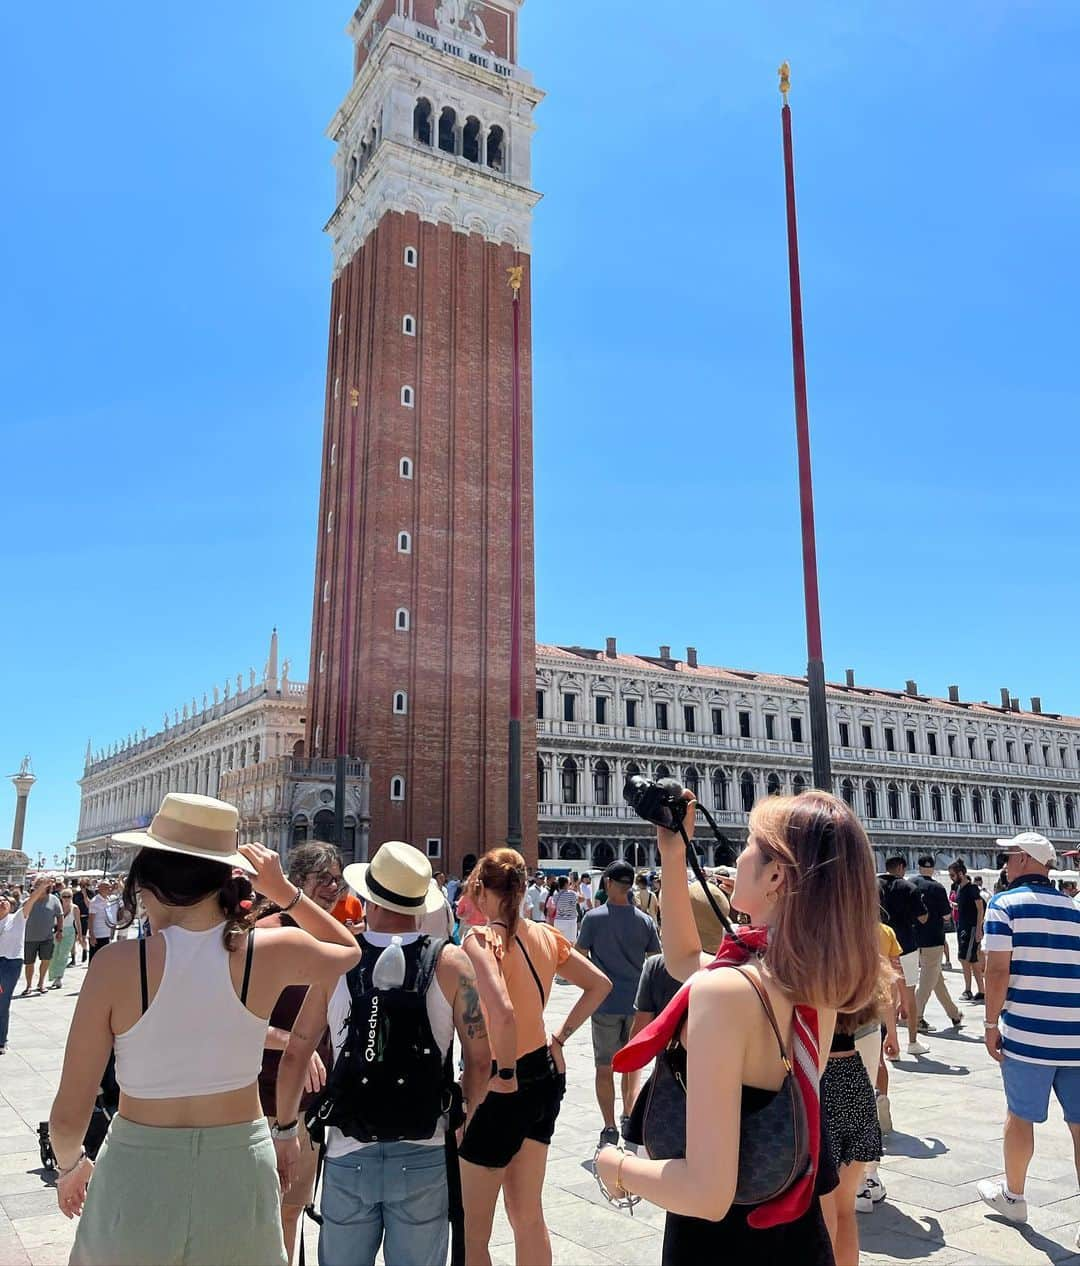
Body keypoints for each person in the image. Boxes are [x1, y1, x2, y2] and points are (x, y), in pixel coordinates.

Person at [48, 792, 360, 1266]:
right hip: (239, 1166)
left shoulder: (116, 965)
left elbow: (69, 1117)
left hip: (138, 1166)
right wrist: (284, 892)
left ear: (146, 884)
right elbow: (347, 949)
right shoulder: (268, 951)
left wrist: (71, 1167)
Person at [598, 790, 880, 1265]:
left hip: (726, 1245)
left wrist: (617, 1168)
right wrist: (673, 851)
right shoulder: (809, 976)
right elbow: (685, 959)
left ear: (775, 875)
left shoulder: (730, 992)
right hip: (794, 1230)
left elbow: (707, 1192)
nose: (737, 854)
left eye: (750, 842)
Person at [277, 840, 491, 1266]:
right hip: (424, 1146)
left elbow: (296, 1051)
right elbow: (481, 1058)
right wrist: (465, 1110)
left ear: (367, 897)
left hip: (347, 1148)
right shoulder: (451, 962)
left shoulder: (338, 958)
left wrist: (285, 1132)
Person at [458, 848, 610, 1266]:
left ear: (481, 890)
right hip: (544, 1072)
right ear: (523, 889)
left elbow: (503, 1013)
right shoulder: (545, 936)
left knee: (474, 1233)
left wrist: (504, 1072)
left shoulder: (480, 940)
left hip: (504, 1080)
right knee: (527, 1215)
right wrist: (559, 1038)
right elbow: (599, 984)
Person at [977, 832, 1080, 1236]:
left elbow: (998, 971)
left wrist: (990, 1024)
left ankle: (1014, 1198)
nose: (1005, 862)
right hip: (1075, 1033)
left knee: (1020, 1117)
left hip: (1028, 1034)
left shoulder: (1004, 905)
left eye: (1008, 855)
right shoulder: (1073, 909)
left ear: (1023, 860)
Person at [256, 842, 343, 1265]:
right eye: (322, 878)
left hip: (309, 1104)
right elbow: (232, 1020)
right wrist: (293, 1044)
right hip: (263, 1098)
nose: (333, 886)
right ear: (297, 882)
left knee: (292, 1208)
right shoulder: (268, 932)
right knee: (259, 1209)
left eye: (337, 878)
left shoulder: (336, 935)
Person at [577, 860, 660, 1146]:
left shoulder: (593, 918)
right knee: (631, 1064)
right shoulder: (645, 920)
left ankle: (609, 1126)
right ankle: (628, 1114)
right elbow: (656, 959)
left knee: (604, 1066)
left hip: (604, 1003)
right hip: (637, 1005)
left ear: (609, 883)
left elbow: (578, 956)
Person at [631, 879, 729, 1047]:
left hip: (670, 1068)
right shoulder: (734, 967)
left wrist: (629, 1073)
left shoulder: (657, 966)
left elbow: (640, 1030)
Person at [878, 856, 930, 1056]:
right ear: (900, 867)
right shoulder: (908, 887)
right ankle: (912, 1042)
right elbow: (923, 917)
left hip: (880, 944)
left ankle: (891, 1044)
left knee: (887, 996)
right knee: (909, 994)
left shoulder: (873, 885)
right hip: (905, 945)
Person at [0, 879, 53, 1053]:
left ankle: (1, 1040)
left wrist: (41, 888)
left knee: (2, 1000)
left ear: (10, 906)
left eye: (5, 901)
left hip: (10, 964)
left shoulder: (18, 918)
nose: (2, 903)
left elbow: (31, 901)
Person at [911, 856, 963, 1032]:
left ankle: (954, 1014)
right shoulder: (937, 887)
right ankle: (916, 1017)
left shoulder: (909, 883)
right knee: (927, 981)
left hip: (913, 939)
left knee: (936, 979)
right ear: (933, 869)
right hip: (933, 938)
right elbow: (947, 916)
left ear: (918, 867)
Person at [950, 860, 986, 1001]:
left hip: (970, 928)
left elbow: (980, 908)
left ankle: (971, 989)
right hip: (963, 927)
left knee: (968, 959)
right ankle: (975, 989)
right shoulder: (960, 889)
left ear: (960, 873)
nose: (951, 878)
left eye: (953, 875)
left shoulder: (972, 889)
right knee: (967, 959)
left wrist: (978, 929)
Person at [21, 876, 63, 995]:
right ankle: (28, 985)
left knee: (46, 960)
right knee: (29, 963)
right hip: (29, 937)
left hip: (47, 937)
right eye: (38, 884)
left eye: (43, 883)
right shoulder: (29, 900)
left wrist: (60, 931)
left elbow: (59, 915)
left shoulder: (54, 899)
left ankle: (41, 983)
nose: (40, 886)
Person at [48, 889, 82, 990]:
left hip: (69, 932)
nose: (67, 899)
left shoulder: (75, 908)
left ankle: (59, 977)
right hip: (57, 931)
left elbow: (78, 922)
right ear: (61, 897)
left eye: (69, 896)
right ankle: (53, 976)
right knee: (53, 954)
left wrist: (80, 935)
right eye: (64, 896)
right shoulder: (57, 907)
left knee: (63, 954)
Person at [86, 882, 117, 961]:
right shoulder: (94, 902)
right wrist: (92, 935)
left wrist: (112, 930)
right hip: (97, 935)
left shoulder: (109, 899)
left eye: (110, 887)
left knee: (104, 959)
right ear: (100, 888)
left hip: (106, 934)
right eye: (107, 887)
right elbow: (90, 919)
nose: (109, 889)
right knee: (95, 959)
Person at [552, 876, 578, 946]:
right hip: (570, 921)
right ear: (566, 884)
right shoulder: (572, 894)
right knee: (570, 944)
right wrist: (576, 889)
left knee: (559, 943)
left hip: (558, 920)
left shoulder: (555, 894)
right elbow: (582, 899)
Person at [72, 880, 91, 965]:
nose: (83, 887)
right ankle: (73, 958)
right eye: (81, 885)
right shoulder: (75, 895)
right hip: (76, 918)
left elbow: (89, 905)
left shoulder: (91, 893)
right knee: (73, 938)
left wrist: (85, 895)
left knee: (83, 937)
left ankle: (84, 950)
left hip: (85, 918)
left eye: (85, 885)